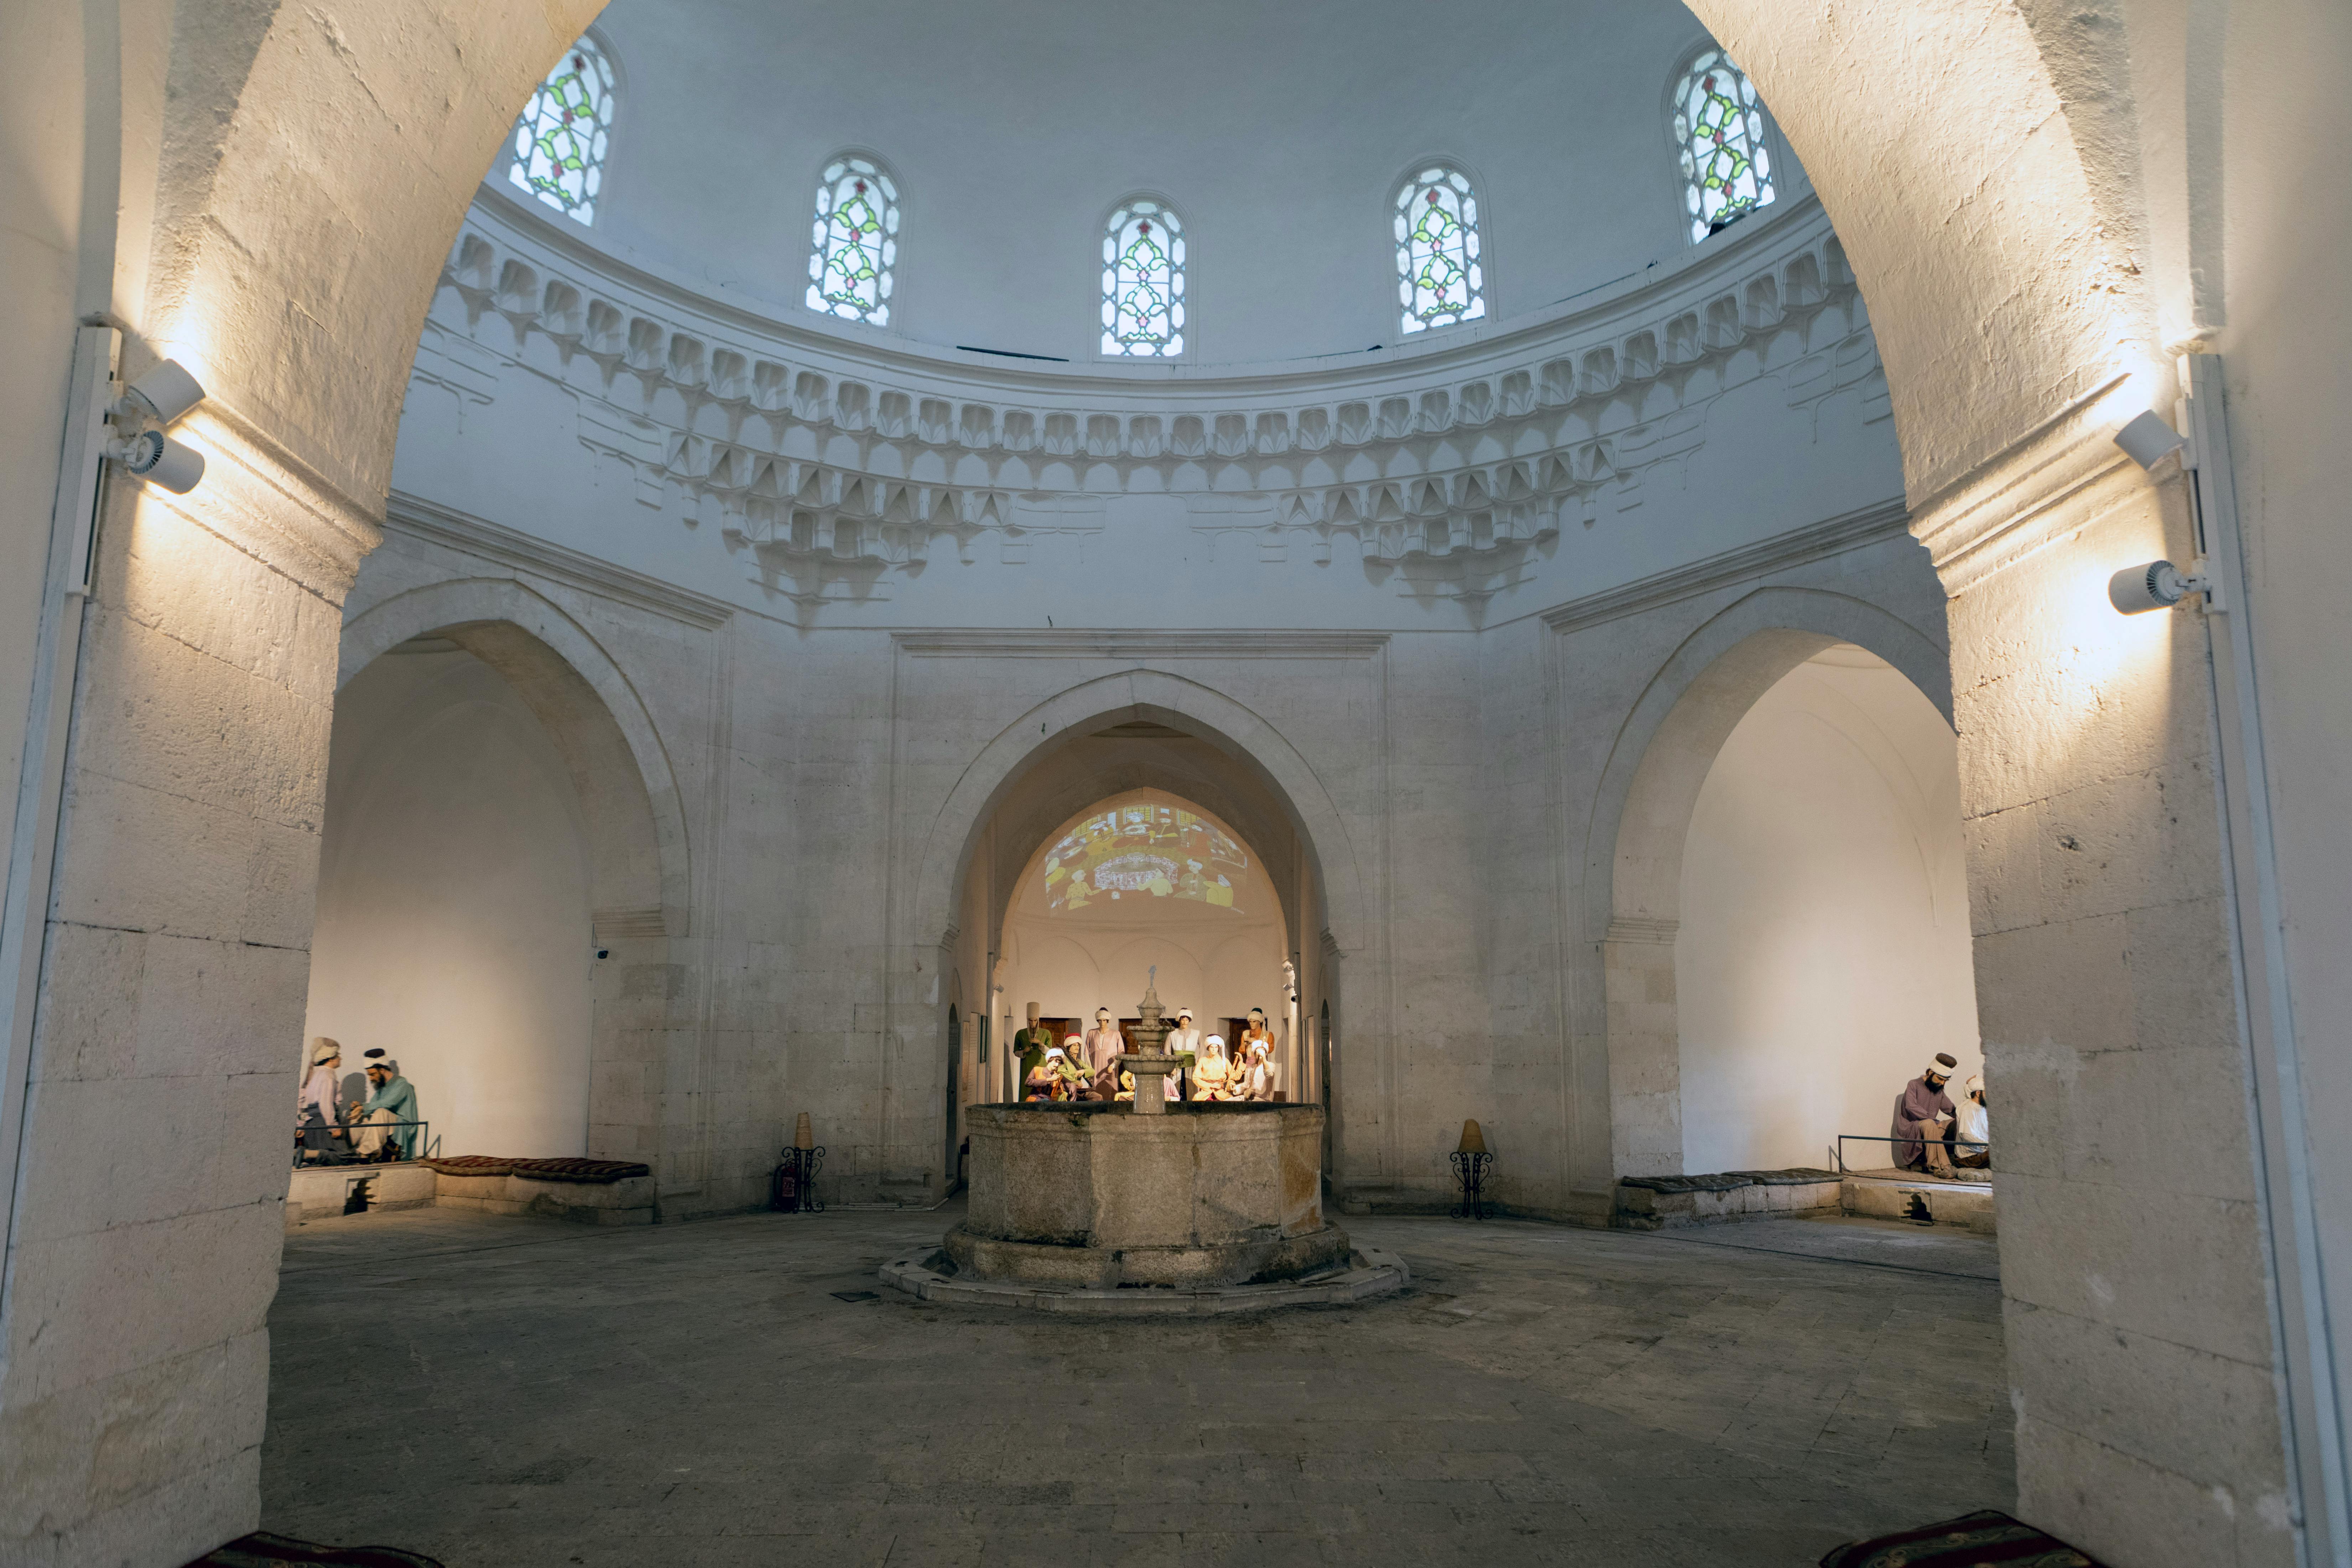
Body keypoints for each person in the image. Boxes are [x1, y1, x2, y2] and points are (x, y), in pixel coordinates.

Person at [1892, 1052, 1962, 1178]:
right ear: (1930, 1073)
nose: (1943, 1084)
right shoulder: (1913, 1084)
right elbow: (1911, 1107)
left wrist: (1966, 1115)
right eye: (1940, 1079)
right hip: (1912, 1128)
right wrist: (1934, 1121)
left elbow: (1950, 1109)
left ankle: (1960, 1160)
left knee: (1957, 1122)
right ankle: (1940, 1167)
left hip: (1931, 1127)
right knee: (1929, 1123)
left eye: (1945, 1081)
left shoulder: (1938, 1090)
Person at [351, 1054, 421, 1161]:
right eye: (369, 1075)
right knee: (359, 1117)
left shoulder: (402, 1084)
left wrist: (363, 1107)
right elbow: (372, 1106)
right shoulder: (382, 1087)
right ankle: (351, 1150)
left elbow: (388, 1103)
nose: (371, 1078)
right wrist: (358, 1108)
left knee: (381, 1112)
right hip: (388, 1123)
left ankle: (366, 1152)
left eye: (373, 1074)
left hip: (403, 1125)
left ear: (382, 1071)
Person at [296, 1038, 346, 1162]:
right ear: (331, 1058)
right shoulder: (328, 1076)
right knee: (342, 1157)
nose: (340, 1058)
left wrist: (301, 1125)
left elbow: (302, 1102)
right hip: (323, 1123)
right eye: (338, 1055)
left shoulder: (314, 1076)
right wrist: (333, 1127)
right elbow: (326, 1104)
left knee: (321, 1161)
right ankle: (304, 1154)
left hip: (312, 1124)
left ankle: (303, 1154)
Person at [1083, 1007, 1125, 1099]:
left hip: (1110, 1069)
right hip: (1095, 1068)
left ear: (1108, 1021)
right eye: (1100, 1021)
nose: (1102, 1023)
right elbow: (1086, 1052)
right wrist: (1090, 1069)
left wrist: (1114, 1065)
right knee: (1095, 1093)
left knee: (1110, 1092)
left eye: (1104, 1020)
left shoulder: (1116, 1034)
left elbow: (1122, 1052)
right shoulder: (1091, 1033)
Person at [1953, 1072, 1990, 1170]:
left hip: (1981, 1153)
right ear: (1978, 1093)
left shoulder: (1983, 1108)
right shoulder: (1967, 1109)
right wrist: (1989, 1144)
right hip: (1968, 1158)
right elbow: (1966, 1135)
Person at [1191, 1035, 1236, 1101]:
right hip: (1206, 1091)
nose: (1214, 1049)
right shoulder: (1202, 1061)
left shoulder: (1224, 1061)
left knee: (1229, 1099)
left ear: (1218, 1048)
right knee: (1197, 1099)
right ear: (1208, 1048)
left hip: (1220, 1090)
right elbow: (1196, 1078)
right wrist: (1211, 1085)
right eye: (1212, 1047)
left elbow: (1234, 1076)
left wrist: (1241, 1063)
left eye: (1216, 1047)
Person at [1242, 1038, 1281, 1102]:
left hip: (1264, 1101)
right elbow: (1247, 1084)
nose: (1261, 1053)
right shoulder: (1250, 1068)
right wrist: (1235, 1088)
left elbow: (1269, 1075)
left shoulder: (1271, 1066)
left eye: (1263, 1050)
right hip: (1251, 1099)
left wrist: (1264, 1058)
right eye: (1258, 1050)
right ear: (1255, 1053)